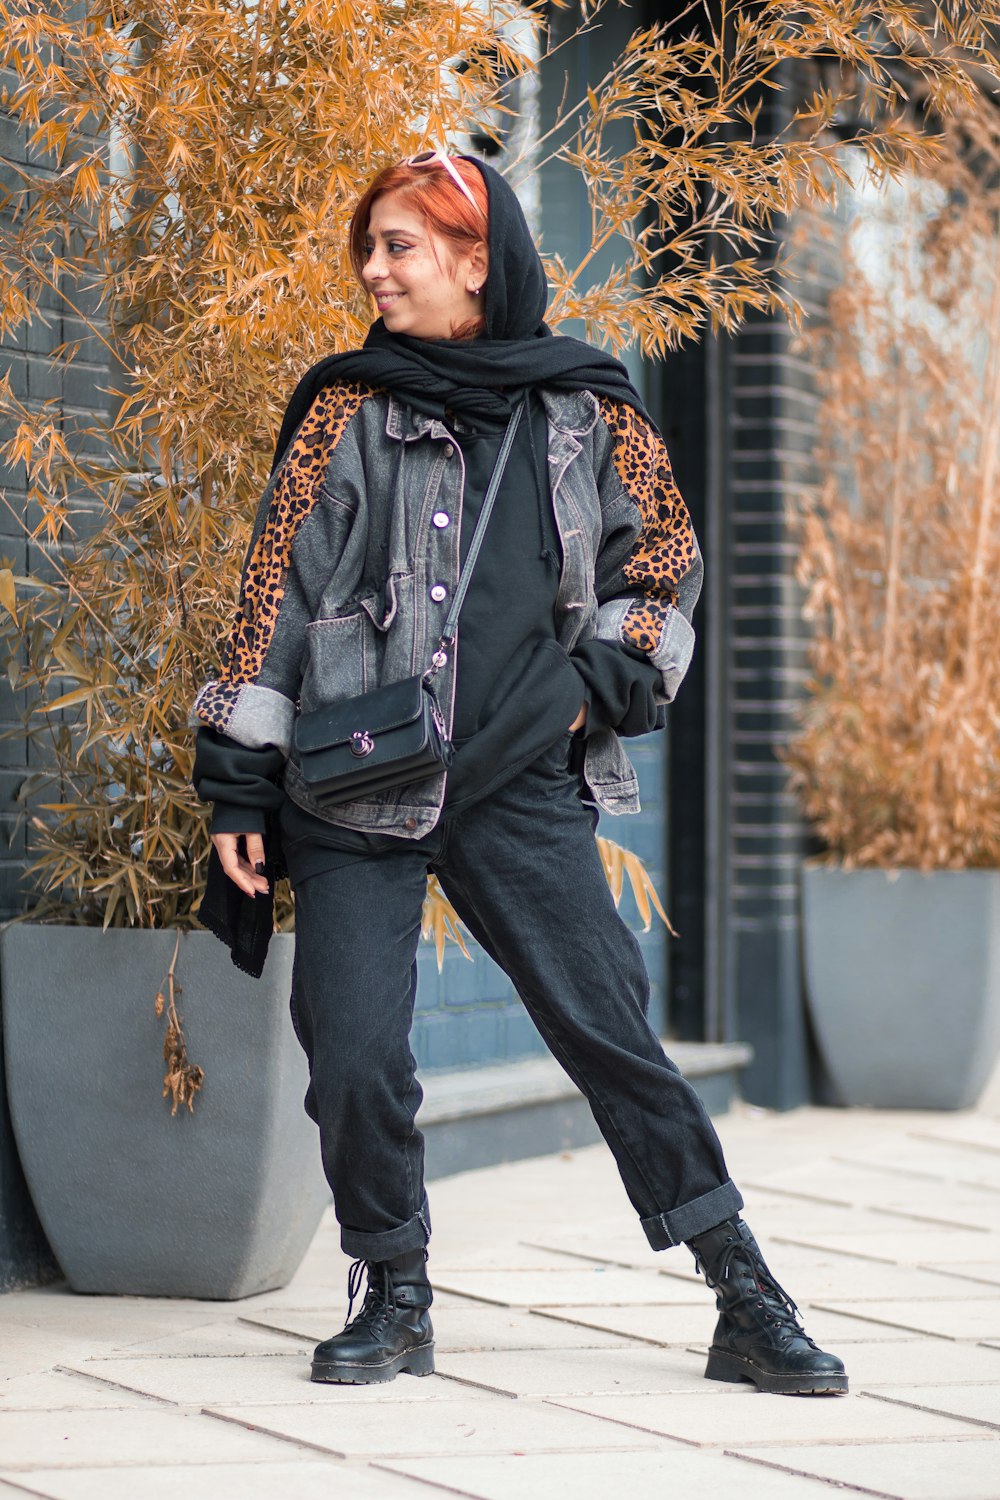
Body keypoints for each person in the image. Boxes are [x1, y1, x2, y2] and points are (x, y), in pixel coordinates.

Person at [191, 151, 848, 1397]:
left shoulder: (589, 408)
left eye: (401, 246)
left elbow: (662, 566)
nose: (375, 271)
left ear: (476, 260)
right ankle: (394, 1289)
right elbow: (269, 596)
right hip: (353, 782)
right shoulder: (344, 410)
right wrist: (238, 779)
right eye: (370, 248)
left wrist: (590, 686)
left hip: (518, 789)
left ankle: (742, 1294)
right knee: (353, 1053)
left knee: (611, 1039)